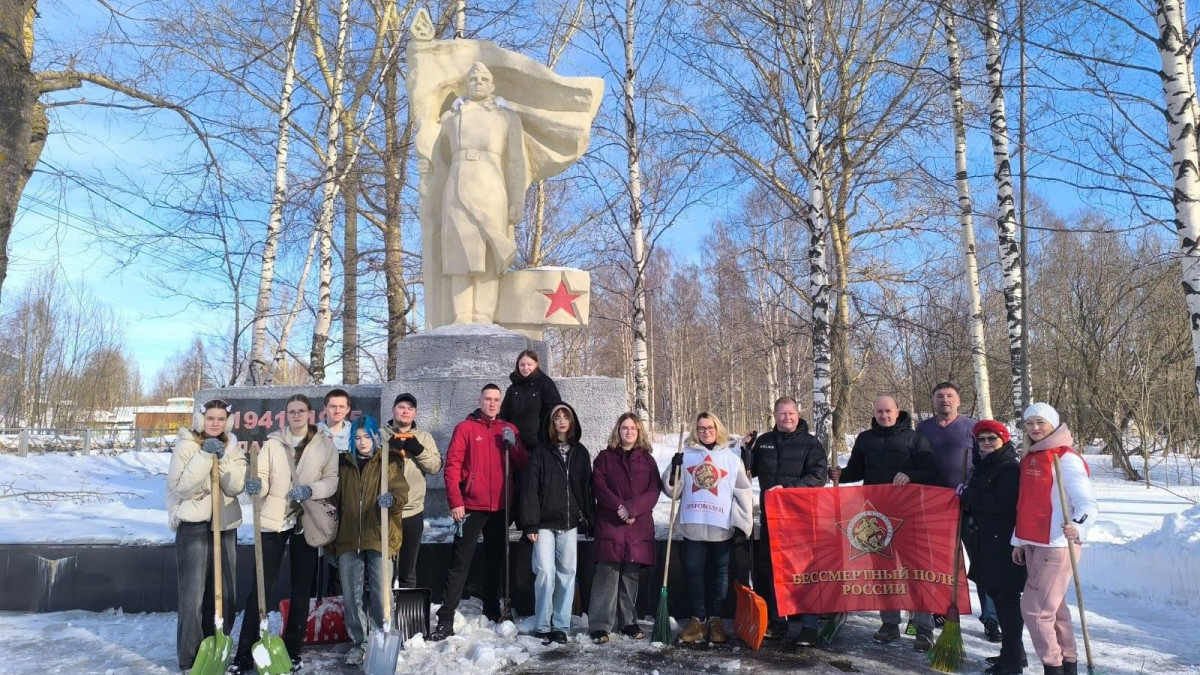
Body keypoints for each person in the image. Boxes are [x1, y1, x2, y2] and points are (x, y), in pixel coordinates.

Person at [229, 393, 338, 674]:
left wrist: (311, 490)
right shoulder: (272, 444)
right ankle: (244, 653)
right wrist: (256, 486)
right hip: (274, 519)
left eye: (301, 411)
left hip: (306, 520)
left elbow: (332, 480)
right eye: (292, 411)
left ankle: (293, 650)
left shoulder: (325, 445)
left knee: (301, 588)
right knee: (260, 587)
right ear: (285, 415)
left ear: (310, 414)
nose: (297, 415)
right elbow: (263, 477)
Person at [830, 395, 941, 651]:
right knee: (884, 571)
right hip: (876, 519)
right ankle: (890, 623)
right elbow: (857, 471)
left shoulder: (914, 439)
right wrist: (839, 475)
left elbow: (932, 472)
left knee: (916, 570)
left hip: (910, 515)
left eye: (888, 411)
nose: (884, 415)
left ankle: (924, 628)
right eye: (879, 411)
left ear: (897, 411)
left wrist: (910, 475)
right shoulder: (865, 439)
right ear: (874, 413)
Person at [429, 61, 526, 324]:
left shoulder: (507, 117)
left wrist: (517, 201)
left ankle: (484, 316)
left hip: (492, 186)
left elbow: (517, 162)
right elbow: (437, 155)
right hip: (457, 183)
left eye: (484, 79)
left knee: (491, 252)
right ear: (467, 85)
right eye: (473, 79)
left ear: (492, 86)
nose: (478, 83)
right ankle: (461, 316)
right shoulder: (451, 118)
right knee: (458, 251)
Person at [430, 384, 529, 640]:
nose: (492, 403)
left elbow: (522, 463)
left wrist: (514, 444)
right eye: (488, 399)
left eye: (496, 399)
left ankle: (492, 608)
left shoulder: (508, 429)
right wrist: (456, 501)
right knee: (460, 561)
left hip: (500, 507)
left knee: (495, 560)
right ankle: (446, 616)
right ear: (480, 400)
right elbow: (452, 466)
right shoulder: (465, 428)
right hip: (471, 506)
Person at [1012, 403, 1098, 675]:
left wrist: (1079, 526)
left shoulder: (1065, 458)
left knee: (1035, 611)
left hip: (1057, 544)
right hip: (1033, 542)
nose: (1035, 428)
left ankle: (1053, 667)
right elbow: (1025, 503)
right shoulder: (1031, 456)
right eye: (1029, 423)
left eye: (1041, 422)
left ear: (1053, 424)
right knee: (1055, 609)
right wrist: (1018, 540)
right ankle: (1068, 664)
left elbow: (1087, 503)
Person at [167, 399, 247, 672]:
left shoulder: (233, 447)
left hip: (225, 526)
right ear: (201, 420)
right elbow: (181, 487)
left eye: (221, 419)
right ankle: (190, 659)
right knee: (193, 596)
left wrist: (222, 458)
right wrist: (203, 456)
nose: (215, 423)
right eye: (210, 418)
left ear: (228, 421)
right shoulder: (186, 445)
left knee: (225, 594)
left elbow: (235, 486)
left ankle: (214, 648)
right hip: (195, 527)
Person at [915, 382, 998, 641]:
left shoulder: (972, 427)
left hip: (968, 505)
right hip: (935, 507)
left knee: (981, 561)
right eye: (940, 396)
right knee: (939, 563)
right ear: (933, 400)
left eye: (950, 395)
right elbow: (915, 461)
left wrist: (976, 489)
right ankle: (941, 610)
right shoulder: (923, 428)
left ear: (959, 401)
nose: (945, 400)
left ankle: (991, 618)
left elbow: (987, 461)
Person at [663, 412, 754, 644]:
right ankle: (698, 620)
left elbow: (742, 491)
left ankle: (715, 619)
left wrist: (743, 523)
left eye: (710, 427)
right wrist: (674, 471)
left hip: (720, 526)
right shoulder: (686, 454)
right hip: (694, 524)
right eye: (701, 428)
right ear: (696, 430)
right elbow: (673, 491)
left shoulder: (731, 457)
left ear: (717, 428)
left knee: (720, 574)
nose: (706, 432)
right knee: (693, 571)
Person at [328, 415, 409, 666]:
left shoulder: (388, 462)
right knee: (352, 595)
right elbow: (333, 501)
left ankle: (381, 636)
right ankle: (359, 642)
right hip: (349, 537)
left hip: (379, 535)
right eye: (357, 437)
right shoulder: (343, 465)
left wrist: (392, 500)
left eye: (367, 437)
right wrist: (329, 540)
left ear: (376, 437)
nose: (362, 442)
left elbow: (401, 492)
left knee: (381, 591)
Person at [747, 396, 827, 645]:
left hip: (801, 518)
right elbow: (749, 471)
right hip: (771, 517)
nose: (787, 418)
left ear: (798, 414)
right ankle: (778, 620)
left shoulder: (811, 444)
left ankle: (809, 626)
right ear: (775, 415)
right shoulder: (764, 442)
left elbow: (818, 477)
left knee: (804, 571)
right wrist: (746, 450)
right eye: (782, 414)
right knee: (773, 569)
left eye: (791, 413)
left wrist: (788, 489)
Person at [518, 403, 593, 644]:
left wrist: (588, 518)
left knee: (567, 574)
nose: (561, 421)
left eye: (565, 417)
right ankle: (542, 623)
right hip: (543, 524)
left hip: (569, 523)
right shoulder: (541, 452)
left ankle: (560, 624)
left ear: (572, 422)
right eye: (557, 417)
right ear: (551, 423)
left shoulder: (580, 452)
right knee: (545, 572)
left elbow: (585, 488)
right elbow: (530, 488)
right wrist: (530, 524)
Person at [957, 419, 1027, 675]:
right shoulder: (985, 464)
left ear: (1003, 440)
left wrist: (968, 494)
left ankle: (1012, 662)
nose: (986, 443)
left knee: (1007, 601)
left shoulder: (1009, 468)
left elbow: (1001, 503)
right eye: (982, 439)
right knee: (998, 598)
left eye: (991, 439)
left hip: (1004, 544)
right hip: (987, 541)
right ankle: (1013, 653)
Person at [589, 413, 662, 644]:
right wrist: (619, 508)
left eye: (633, 428)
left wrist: (632, 509)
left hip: (637, 525)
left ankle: (628, 621)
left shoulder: (647, 461)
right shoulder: (605, 458)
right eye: (624, 428)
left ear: (639, 432)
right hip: (611, 523)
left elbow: (654, 490)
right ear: (618, 430)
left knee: (630, 575)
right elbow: (598, 486)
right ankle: (600, 624)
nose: (629, 432)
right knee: (607, 574)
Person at [382, 393, 443, 588]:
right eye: (401, 407)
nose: (405, 411)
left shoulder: (424, 437)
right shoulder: (380, 435)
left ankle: (406, 604)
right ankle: (385, 603)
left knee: (408, 569)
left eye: (410, 408)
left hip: (412, 511)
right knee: (383, 568)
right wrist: (386, 451)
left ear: (415, 412)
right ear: (393, 409)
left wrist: (419, 450)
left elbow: (435, 467)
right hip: (384, 511)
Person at [500, 349, 563, 452]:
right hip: (515, 445)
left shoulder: (545, 384)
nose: (525, 368)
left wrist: (548, 438)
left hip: (538, 445)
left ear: (536, 364)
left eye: (529, 364)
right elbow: (504, 414)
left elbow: (554, 411)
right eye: (522, 365)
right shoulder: (513, 388)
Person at [318, 388, 354, 453]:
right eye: (333, 406)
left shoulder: (354, 432)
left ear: (348, 409)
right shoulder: (313, 432)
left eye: (342, 407)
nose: (337, 411)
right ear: (325, 408)